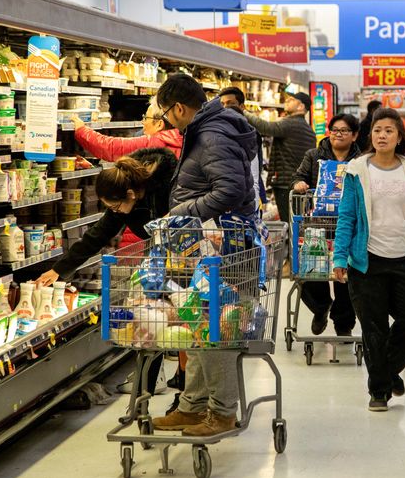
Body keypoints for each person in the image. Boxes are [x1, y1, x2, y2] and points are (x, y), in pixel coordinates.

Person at [152, 74, 258, 437]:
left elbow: (230, 190)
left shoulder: (211, 135)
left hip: (228, 250)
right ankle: (193, 406)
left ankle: (223, 412)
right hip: (212, 249)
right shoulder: (208, 130)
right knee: (200, 328)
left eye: (166, 113)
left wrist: (182, 213)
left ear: (179, 107)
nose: (167, 120)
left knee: (218, 331)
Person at [36, 148, 178, 394]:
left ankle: (180, 384)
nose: (114, 211)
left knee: (186, 320)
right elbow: (96, 236)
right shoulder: (123, 200)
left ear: (131, 195)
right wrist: (59, 270)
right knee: (155, 319)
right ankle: (148, 384)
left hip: (186, 257)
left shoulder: (169, 185)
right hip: (158, 260)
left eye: (114, 206)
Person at [333, 107, 405, 412]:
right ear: (370, 135)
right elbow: (347, 216)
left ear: (399, 136)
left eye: (389, 130)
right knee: (374, 328)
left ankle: (389, 371)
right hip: (367, 262)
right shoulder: (357, 170)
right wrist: (339, 255)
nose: (382, 135)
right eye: (377, 130)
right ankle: (379, 390)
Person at [292, 113, 360, 336]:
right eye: (334, 130)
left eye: (344, 131)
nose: (338, 134)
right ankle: (320, 308)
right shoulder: (314, 155)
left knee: (346, 279)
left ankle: (344, 325)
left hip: (350, 226)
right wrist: (300, 183)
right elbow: (298, 177)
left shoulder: (361, 161)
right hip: (317, 225)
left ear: (354, 135)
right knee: (311, 273)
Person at [244, 92, 316, 223]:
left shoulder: (291, 124)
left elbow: (265, 128)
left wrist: (244, 112)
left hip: (286, 184)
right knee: (297, 222)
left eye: (292, 99)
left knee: (289, 223)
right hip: (300, 184)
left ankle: (292, 243)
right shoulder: (308, 129)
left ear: (301, 107)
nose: (287, 100)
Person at [72, 97, 183, 162]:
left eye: (146, 118)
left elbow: (111, 147)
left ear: (159, 124)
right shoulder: (182, 138)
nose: (143, 122)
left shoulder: (155, 143)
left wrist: (82, 130)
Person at [220, 87, 267, 208]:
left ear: (242, 107)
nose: (225, 108)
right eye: (222, 104)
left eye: (230, 104)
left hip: (245, 201)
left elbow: (254, 174)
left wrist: (254, 208)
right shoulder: (216, 131)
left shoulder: (249, 134)